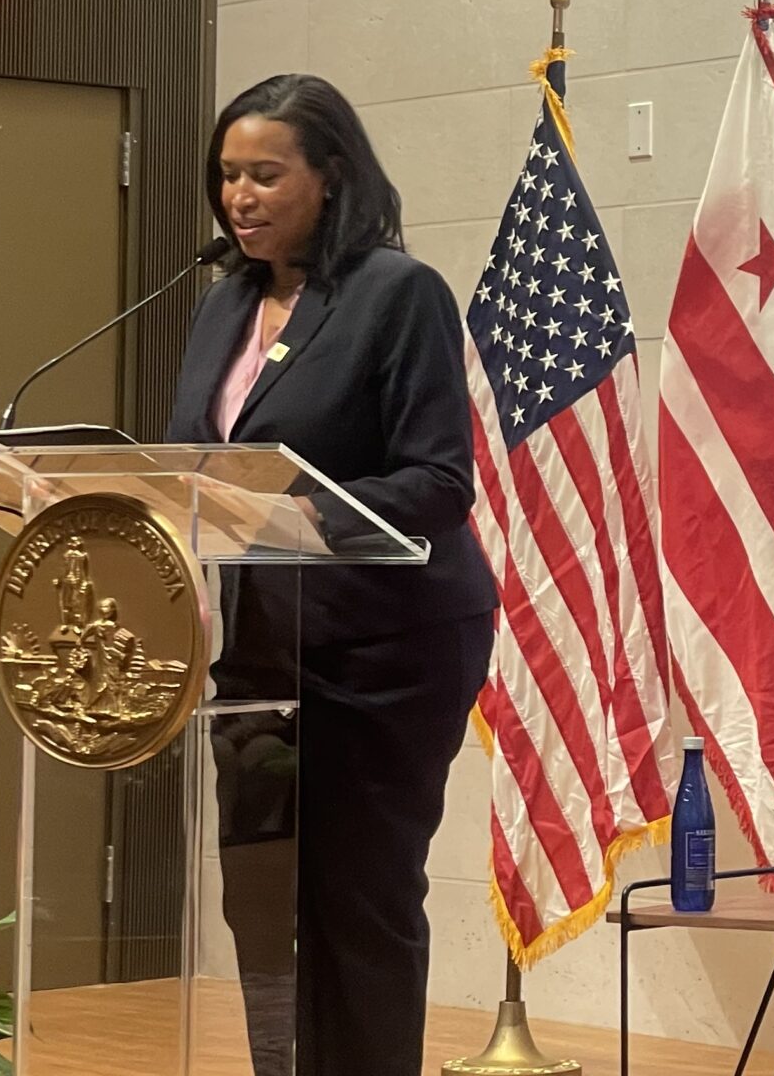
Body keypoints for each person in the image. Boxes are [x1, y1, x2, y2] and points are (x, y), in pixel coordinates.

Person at [167, 73, 497, 1076]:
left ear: (332, 175)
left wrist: (297, 514)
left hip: (387, 648)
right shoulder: (222, 305)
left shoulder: (396, 294)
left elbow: (439, 481)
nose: (240, 197)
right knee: (262, 897)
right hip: (262, 649)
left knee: (357, 895)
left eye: (266, 174)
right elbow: (196, 461)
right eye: (228, 176)